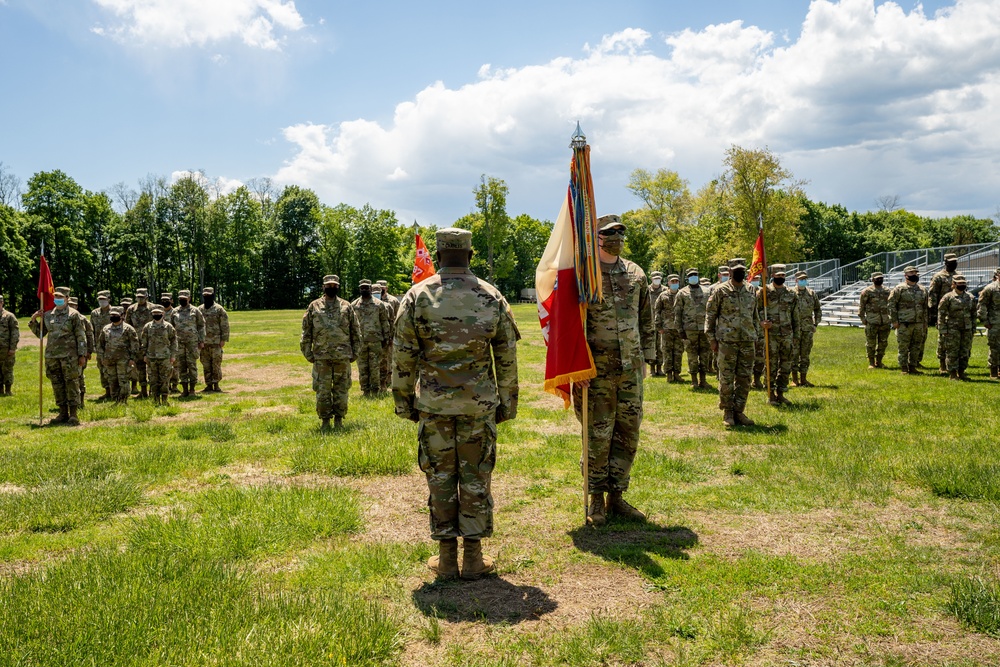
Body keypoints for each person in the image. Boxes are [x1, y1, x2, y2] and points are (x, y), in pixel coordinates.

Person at [393, 227, 519, 580]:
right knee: (476, 476)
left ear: (438, 252)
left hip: (433, 406)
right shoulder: (491, 296)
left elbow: (403, 356)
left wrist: (405, 401)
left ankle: (447, 559)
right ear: (470, 254)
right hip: (478, 407)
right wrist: (507, 403)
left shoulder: (418, 296)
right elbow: (507, 357)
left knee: (441, 478)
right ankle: (473, 558)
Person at [571, 215, 655, 526]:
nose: (616, 236)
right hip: (596, 372)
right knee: (597, 434)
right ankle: (595, 498)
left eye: (621, 231)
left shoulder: (636, 273)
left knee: (628, 432)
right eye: (609, 232)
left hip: (630, 367)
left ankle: (616, 495)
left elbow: (645, 319)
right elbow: (569, 325)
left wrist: (647, 357)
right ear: (596, 237)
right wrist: (575, 368)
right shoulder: (584, 275)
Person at [301, 275, 360, 431]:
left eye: (334, 285)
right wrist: (308, 352)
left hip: (343, 356)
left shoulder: (346, 306)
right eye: (329, 285)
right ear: (323, 287)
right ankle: (325, 421)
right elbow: (306, 332)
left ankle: (339, 420)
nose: (331, 288)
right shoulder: (314, 306)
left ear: (338, 287)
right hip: (322, 357)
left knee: (342, 389)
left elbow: (355, 331)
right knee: (323, 391)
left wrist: (355, 352)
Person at [705, 258, 759, 427]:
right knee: (726, 378)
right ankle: (728, 412)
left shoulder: (751, 290)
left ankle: (739, 411)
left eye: (742, 270)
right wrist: (712, 339)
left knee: (744, 378)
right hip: (727, 341)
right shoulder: (720, 291)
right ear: (730, 272)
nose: (740, 272)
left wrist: (755, 335)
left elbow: (754, 315)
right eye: (736, 270)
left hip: (747, 341)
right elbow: (710, 315)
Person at [29, 287, 88, 425]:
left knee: (71, 383)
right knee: (57, 384)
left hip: (69, 356)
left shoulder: (74, 315)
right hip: (52, 356)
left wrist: (82, 355)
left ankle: (73, 414)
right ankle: (62, 413)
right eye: (56, 296)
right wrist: (34, 319)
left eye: (61, 297)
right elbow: (40, 334)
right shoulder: (49, 315)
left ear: (67, 298)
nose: (57, 299)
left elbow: (81, 336)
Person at [757, 264, 798, 406]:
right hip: (771, 334)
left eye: (782, 275)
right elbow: (755, 312)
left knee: (786, 364)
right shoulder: (764, 292)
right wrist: (762, 323)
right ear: (772, 275)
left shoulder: (791, 293)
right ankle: (770, 393)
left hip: (786, 334)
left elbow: (795, 315)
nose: (780, 277)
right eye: (777, 275)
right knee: (771, 364)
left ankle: (781, 392)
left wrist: (796, 334)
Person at [351, 280, 390, 397]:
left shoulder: (379, 304)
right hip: (361, 341)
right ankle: (365, 390)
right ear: (359, 289)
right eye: (362, 288)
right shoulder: (354, 305)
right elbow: (351, 324)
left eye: (366, 288)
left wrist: (386, 338)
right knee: (363, 367)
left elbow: (384, 322)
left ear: (371, 289)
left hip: (376, 340)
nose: (364, 290)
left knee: (375, 367)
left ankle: (375, 390)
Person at [675, 268, 712, 390]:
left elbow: (712, 311)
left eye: (695, 275)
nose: (693, 277)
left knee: (704, 355)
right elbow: (678, 313)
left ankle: (703, 380)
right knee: (692, 356)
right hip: (689, 329)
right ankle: (694, 380)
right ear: (687, 277)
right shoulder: (682, 293)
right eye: (691, 275)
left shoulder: (707, 291)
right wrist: (680, 330)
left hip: (704, 329)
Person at [888, 266, 929, 374]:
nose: (914, 275)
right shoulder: (899, 289)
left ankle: (912, 366)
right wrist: (894, 321)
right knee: (903, 347)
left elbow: (925, 308)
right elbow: (891, 305)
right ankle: (904, 368)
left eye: (915, 272)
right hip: (904, 323)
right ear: (905, 275)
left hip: (918, 323)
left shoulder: (923, 289)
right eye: (911, 273)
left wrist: (925, 322)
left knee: (916, 346)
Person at [97, 307, 139, 404]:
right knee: (112, 380)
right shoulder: (106, 329)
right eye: (112, 315)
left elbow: (135, 345)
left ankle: (123, 400)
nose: (113, 317)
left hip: (124, 360)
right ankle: (115, 399)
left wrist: (132, 358)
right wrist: (102, 357)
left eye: (116, 315)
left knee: (123, 380)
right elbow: (101, 344)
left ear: (122, 316)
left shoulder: (128, 329)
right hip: (109, 359)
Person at [938, 275, 975, 381]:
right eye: (959, 283)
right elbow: (941, 313)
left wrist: (973, 328)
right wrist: (943, 329)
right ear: (953, 284)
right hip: (952, 329)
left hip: (966, 328)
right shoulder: (947, 297)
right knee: (952, 351)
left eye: (963, 283)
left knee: (965, 351)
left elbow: (973, 314)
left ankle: (961, 372)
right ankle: (952, 373)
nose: (962, 285)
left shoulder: (970, 297)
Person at [169, 289, 205, 396]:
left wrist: (201, 340)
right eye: (180, 299)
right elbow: (171, 328)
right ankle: (184, 389)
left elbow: (201, 325)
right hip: (179, 343)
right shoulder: (174, 312)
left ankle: (192, 389)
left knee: (192, 365)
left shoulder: (195, 311)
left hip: (192, 343)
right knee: (181, 366)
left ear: (189, 298)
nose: (182, 300)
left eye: (184, 299)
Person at [928, 252, 960, 374]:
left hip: (957, 313)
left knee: (957, 340)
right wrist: (934, 314)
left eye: (955, 262)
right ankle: (942, 364)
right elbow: (933, 295)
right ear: (946, 263)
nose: (954, 264)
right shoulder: (938, 276)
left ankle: (954, 364)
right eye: (951, 262)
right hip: (944, 312)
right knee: (943, 339)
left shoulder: (959, 275)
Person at [140, 304, 177, 406]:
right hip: (151, 358)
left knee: (165, 379)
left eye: (158, 313)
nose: (156, 315)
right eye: (154, 313)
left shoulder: (168, 326)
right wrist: (144, 355)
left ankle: (164, 400)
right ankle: (155, 400)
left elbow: (174, 341)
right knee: (153, 379)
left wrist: (173, 355)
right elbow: (144, 342)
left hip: (165, 357)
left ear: (163, 314)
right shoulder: (147, 327)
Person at [791, 271, 822, 387]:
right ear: (796, 280)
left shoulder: (811, 293)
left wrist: (815, 324)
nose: (803, 281)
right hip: (794, 330)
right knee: (793, 354)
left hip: (808, 329)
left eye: (804, 279)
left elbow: (818, 309)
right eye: (800, 279)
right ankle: (794, 379)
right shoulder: (791, 293)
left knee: (805, 355)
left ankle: (803, 379)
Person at [653, 274, 684, 382]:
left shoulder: (682, 294)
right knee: (667, 352)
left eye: (676, 281)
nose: (675, 283)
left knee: (678, 352)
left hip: (679, 329)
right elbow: (657, 311)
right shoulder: (662, 295)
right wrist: (659, 326)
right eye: (672, 281)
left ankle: (677, 374)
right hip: (666, 328)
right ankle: (669, 374)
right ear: (668, 283)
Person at [198, 287, 230, 392]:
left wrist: (223, 339)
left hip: (216, 342)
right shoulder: (199, 310)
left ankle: (216, 384)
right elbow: (197, 326)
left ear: (213, 296)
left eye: (209, 296)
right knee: (206, 364)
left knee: (216, 364)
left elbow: (224, 325)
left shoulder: (219, 309)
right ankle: (208, 385)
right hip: (204, 343)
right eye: (205, 296)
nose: (207, 297)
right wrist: (199, 341)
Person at [858, 272, 891, 369]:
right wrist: (863, 318)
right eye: (877, 278)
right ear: (872, 279)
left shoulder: (887, 291)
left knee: (883, 343)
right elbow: (862, 306)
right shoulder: (867, 291)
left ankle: (879, 361)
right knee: (871, 343)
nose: (879, 280)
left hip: (884, 321)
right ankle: (871, 362)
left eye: (881, 278)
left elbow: (891, 305)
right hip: (872, 321)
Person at [125, 288, 154, 397]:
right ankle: (143, 390)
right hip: (137, 342)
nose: (140, 299)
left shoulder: (153, 308)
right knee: (140, 367)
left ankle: (153, 389)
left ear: (147, 296)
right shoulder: (131, 309)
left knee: (152, 367)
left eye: (142, 297)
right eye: (138, 297)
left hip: (151, 342)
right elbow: (127, 326)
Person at [68, 297, 95, 404]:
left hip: (80, 352)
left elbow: (89, 335)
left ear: (77, 306)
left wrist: (89, 351)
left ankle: (81, 400)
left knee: (79, 376)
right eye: (69, 304)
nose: (71, 307)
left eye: (73, 305)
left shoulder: (83, 319)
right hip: (68, 352)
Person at [90, 291, 114, 400]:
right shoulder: (94, 313)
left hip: (113, 345)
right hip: (100, 346)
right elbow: (92, 330)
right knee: (102, 368)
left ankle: (116, 391)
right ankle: (107, 391)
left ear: (109, 299)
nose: (102, 301)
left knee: (113, 368)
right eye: (100, 299)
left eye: (104, 299)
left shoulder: (114, 312)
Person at [377, 280, 400, 392]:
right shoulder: (374, 300)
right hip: (377, 334)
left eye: (383, 287)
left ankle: (388, 380)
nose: (381, 289)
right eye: (379, 287)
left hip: (391, 333)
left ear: (386, 288)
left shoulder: (393, 300)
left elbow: (397, 317)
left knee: (389, 358)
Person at [977, 268, 1000, 380]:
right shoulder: (990, 288)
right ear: (997, 275)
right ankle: (994, 371)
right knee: (994, 347)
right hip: (994, 323)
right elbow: (982, 305)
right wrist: (985, 321)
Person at [648, 271, 666, 376]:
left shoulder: (664, 290)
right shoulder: (647, 290)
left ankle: (659, 368)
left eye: (658, 278)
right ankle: (652, 369)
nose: (657, 279)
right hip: (649, 322)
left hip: (661, 322)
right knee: (651, 345)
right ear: (651, 279)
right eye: (655, 278)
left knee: (660, 346)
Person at [160, 292, 180, 392]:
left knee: (175, 365)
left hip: (172, 342)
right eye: (163, 300)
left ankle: (175, 385)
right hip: (161, 344)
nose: (165, 302)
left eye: (167, 300)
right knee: (163, 366)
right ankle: (165, 386)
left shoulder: (176, 312)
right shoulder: (157, 312)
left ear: (172, 300)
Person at [0, 294, 18, 396]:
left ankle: (8, 390)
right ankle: (0, 390)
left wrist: (12, 348)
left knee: (7, 369)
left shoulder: (9, 316)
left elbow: (15, 333)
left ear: (2, 303)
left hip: (6, 349)